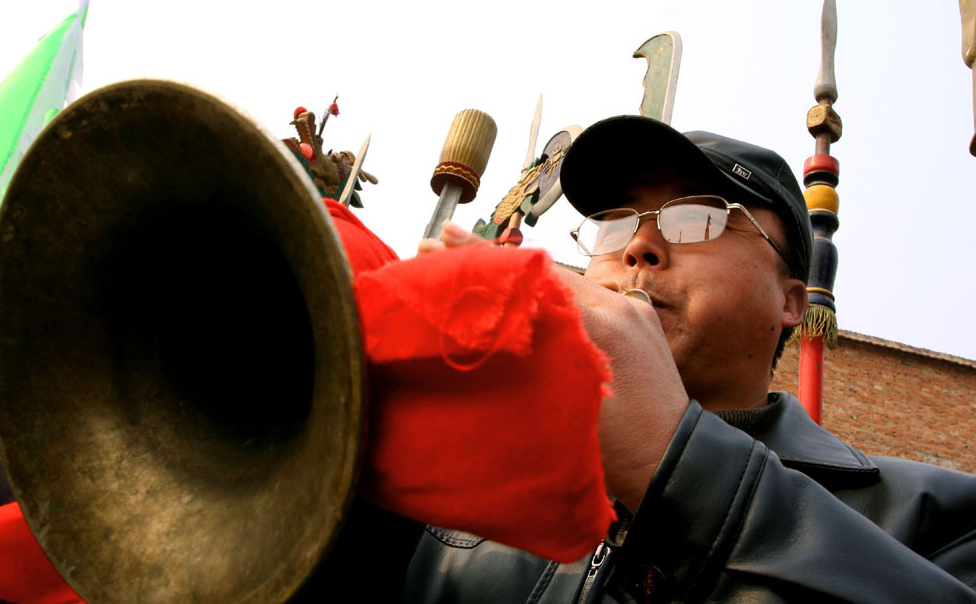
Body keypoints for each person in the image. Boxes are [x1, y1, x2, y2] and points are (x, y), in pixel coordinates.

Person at [401, 115, 976, 602]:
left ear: (791, 299)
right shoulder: (468, 491)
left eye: (698, 217)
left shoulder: (938, 520)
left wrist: (676, 466)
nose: (637, 246)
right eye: (614, 226)